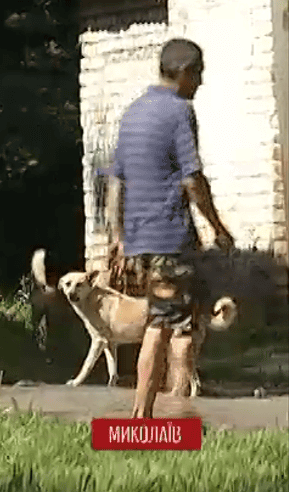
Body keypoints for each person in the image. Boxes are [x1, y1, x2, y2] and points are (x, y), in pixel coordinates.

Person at [106, 38, 234, 418]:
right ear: (184, 72)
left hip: (140, 242)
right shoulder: (179, 111)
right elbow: (193, 179)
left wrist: (118, 236)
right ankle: (150, 417)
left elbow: (116, 181)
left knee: (172, 320)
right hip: (169, 239)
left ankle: (167, 414)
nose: (201, 83)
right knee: (168, 327)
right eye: (199, 74)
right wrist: (218, 227)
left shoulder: (133, 113)